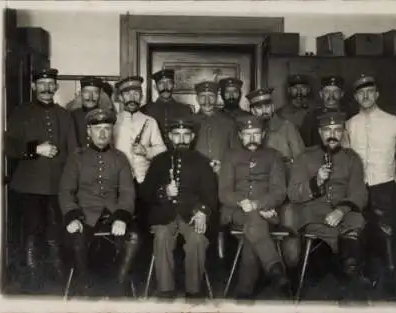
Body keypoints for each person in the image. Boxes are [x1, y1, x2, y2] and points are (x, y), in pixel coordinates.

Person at [4, 68, 77, 290]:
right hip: (29, 184)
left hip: (57, 185)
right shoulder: (21, 112)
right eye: (42, 83)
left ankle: (57, 274)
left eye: (50, 83)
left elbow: (74, 152)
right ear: (34, 86)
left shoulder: (64, 115)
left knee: (56, 230)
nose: (47, 87)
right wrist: (36, 149)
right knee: (32, 231)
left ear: (56, 87)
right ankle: (32, 274)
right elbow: (9, 146)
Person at [345, 74, 396, 291]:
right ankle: (366, 282)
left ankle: (395, 283)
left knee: (388, 235)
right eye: (360, 93)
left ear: (377, 94)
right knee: (359, 232)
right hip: (358, 189)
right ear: (356, 97)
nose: (365, 96)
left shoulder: (393, 121)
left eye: (370, 92)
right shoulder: (349, 124)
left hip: (385, 188)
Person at [288, 111, 368, 300]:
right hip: (314, 213)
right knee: (349, 236)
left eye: (337, 130)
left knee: (357, 221)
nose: (332, 134)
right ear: (319, 132)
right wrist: (316, 181)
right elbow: (292, 193)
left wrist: (341, 210)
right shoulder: (304, 157)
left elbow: (359, 192)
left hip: (344, 212)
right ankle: (350, 270)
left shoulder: (352, 158)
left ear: (343, 133)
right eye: (327, 130)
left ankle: (349, 271)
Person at [59, 108, 140, 296]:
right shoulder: (76, 158)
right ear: (89, 131)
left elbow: (128, 192)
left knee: (134, 238)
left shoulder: (120, 158)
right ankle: (85, 287)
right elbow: (65, 191)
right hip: (84, 215)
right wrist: (72, 217)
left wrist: (122, 216)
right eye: (97, 128)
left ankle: (119, 285)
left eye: (107, 128)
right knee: (77, 240)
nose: (102, 133)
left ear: (112, 131)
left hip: (113, 214)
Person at [141, 117, 218, 300]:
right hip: (163, 214)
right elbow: (144, 193)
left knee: (198, 240)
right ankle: (166, 290)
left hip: (191, 215)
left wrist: (202, 211)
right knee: (162, 236)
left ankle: (193, 291)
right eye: (177, 135)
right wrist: (164, 192)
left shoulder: (202, 162)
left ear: (192, 137)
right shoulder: (159, 161)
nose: (181, 140)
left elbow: (210, 194)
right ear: (169, 136)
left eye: (185, 135)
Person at [219, 115, 291, 299]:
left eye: (256, 134)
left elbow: (279, 191)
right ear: (240, 135)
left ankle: (245, 288)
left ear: (264, 134)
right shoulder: (230, 156)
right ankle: (274, 266)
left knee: (253, 226)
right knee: (255, 221)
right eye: (247, 134)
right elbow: (224, 192)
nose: (252, 138)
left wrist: (258, 204)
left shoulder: (273, 156)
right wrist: (242, 202)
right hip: (235, 211)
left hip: (264, 211)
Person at [246, 87, 305, 288]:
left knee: (291, 242)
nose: (263, 111)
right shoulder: (247, 131)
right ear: (252, 111)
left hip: (286, 195)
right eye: (257, 107)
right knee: (254, 230)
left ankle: (291, 278)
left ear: (272, 106)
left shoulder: (287, 127)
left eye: (267, 106)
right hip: (260, 199)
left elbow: (302, 163)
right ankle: (262, 276)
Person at [113, 76, 167, 232]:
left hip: (144, 180)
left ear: (141, 96)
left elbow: (162, 149)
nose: (132, 98)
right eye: (127, 94)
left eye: (136, 94)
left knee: (145, 222)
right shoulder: (113, 121)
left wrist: (146, 151)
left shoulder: (150, 122)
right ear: (121, 97)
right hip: (119, 181)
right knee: (123, 221)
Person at [191, 81, 239, 175]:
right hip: (197, 176)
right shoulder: (190, 122)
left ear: (217, 98)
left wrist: (225, 167)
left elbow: (236, 152)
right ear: (197, 99)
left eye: (211, 96)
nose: (207, 101)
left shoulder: (228, 122)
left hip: (223, 175)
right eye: (203, 97)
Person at [142, 69, 193, 146]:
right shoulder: (145, 110)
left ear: (174, 85)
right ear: (155, 87)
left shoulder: (185, 109)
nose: (165, 87)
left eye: (169, 83)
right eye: (161, 83)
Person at [299, 76, 346, 147]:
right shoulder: (311, 117)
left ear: (342, 94)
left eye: (335, 92)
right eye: (327, 92)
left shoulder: (349, 116)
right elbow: (305, 144)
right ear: (321, 94)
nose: (331, 96)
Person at [71, 76, 114, 148]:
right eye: (86, 92)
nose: (90, 97)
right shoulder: (71, 116)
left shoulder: (107, 115)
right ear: (81, 93)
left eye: (95, 93)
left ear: (100, 94)